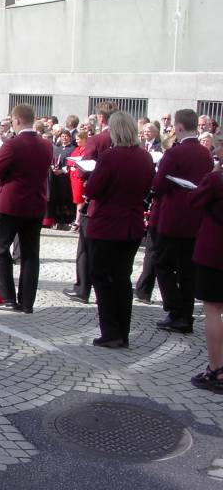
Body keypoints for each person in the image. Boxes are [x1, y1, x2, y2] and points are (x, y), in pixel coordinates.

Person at [83, 112, 154, 348]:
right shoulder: (144, 157)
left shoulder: (110, 157)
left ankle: (111, 331)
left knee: (101, 276)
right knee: (122, 278)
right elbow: (147, 188)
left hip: (106, 225)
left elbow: (93, 189)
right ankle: (122, 331)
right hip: (131, 225)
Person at [152, 109, 215, 333]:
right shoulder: (205, 154)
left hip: (173, 218)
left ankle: (175, 309)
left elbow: (158, 186)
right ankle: (185, 317)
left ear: (178, 127)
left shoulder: (174, 154)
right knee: (188, 270)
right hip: (196, 219)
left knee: (163, 264)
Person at [0, 103, 53, 313]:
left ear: (16, 121)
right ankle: (27, 302)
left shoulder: (12, 145)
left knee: (1, 249)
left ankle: (7, 296)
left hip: (10, 205)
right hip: (35, 205)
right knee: (30, 254)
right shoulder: (46, 145)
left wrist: (0, 150)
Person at [64, 101, 119, 304]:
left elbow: (83, 170)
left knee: (85, 247)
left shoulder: (98, 139)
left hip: (97, 199)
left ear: (102, 118)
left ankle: (82, 289)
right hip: (118, 203)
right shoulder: (125, 140)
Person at [188, 142, 223, 392]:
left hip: (215, 250)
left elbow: (194, 201)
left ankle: (216, 369)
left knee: (213, 309)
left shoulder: (216, 181)